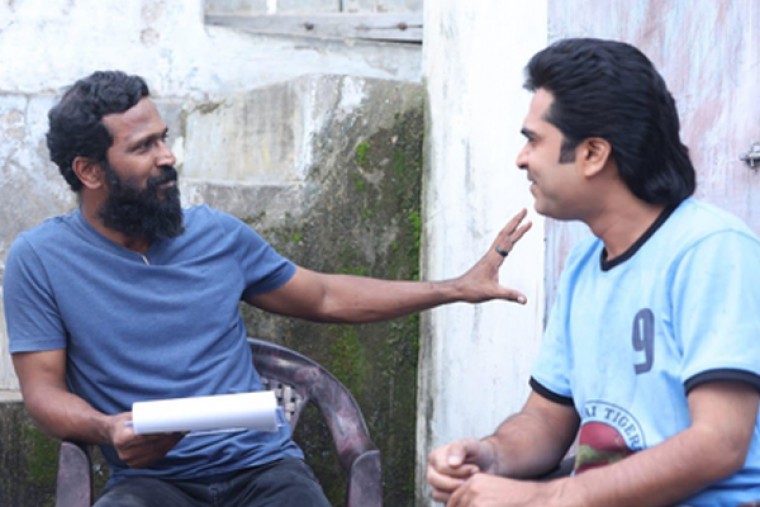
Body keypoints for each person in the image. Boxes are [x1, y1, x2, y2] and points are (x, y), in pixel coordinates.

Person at [2, 70, 532, 507]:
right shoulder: (40, 260)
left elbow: (325, 296)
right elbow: (43, 393)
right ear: (90, 171)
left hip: (263, 469)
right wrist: (106, 428)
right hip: (150, 483)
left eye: (163, 137)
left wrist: (454, 288)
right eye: (144, 147)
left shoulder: (215, 235)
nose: (168, 156)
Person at [427, 38, 760, 506]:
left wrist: (549, 499)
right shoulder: (585, 264)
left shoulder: (712, 250)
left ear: (593, 154)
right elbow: (545, 419)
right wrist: (490, 456)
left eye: (533, 140)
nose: (521, 159)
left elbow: (719, 442)